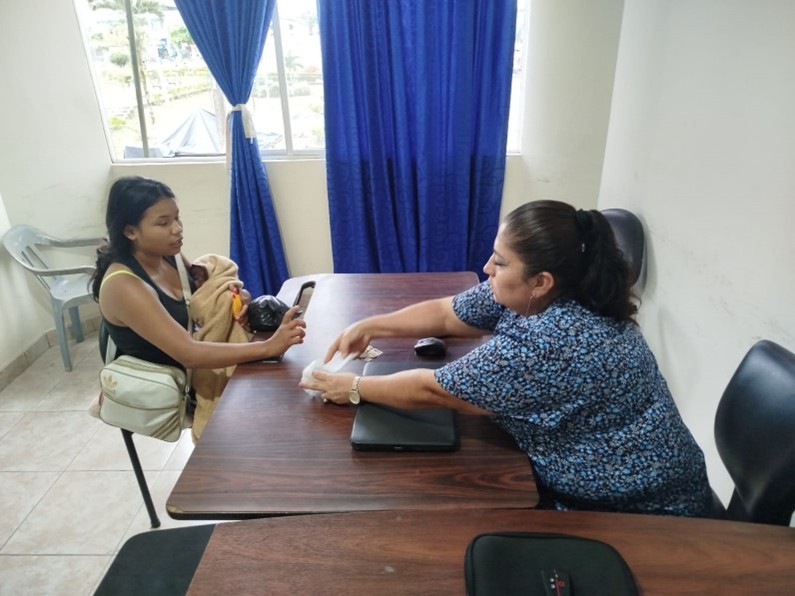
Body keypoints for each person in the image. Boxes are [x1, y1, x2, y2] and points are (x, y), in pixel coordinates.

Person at [300, 200, 714, 518]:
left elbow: (435, 390)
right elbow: (448, 313)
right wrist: (371, 325)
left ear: (540, 281)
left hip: (640, 510)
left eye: (499, 262)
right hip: (631, 480)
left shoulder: (552, 343)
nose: (487, 268)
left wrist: (352, 387)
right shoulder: (551, 289)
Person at [91, 176, 306, 415]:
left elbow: (203, 297)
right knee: (275, 400)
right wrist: (268, 347)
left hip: (197, 367)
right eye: (163, 223)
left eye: (177, 217)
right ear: (130, 231)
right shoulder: (123, 285)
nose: (177, 229)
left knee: (286, 387)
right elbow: (189, 353)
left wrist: (235, 299)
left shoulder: (168, 256)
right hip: (173, 389)